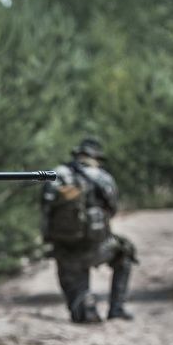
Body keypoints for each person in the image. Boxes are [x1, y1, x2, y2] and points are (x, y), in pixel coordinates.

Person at [40, 137, 137, 323]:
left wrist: (48, 237)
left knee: (71, 275)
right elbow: (112, 209)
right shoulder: (102, 177)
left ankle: (84, 306)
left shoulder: (58, 174)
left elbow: (45, 209)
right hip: (97, 246)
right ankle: (116, 308)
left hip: (65, 246)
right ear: (97, 157)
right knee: (125, 252)